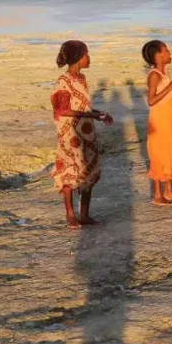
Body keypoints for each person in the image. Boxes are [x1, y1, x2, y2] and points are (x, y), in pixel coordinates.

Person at [51, 40, 113, 229]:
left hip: (86, 132)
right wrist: (91, 115)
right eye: (87, 54)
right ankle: (71, 214)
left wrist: (98, 114)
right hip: (71, 134)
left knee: (88, 171)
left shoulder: (82, 79)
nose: (89, 58)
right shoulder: (64, 81)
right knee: (70, 172)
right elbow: (63, 110)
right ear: (78, 57)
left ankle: (84, 214)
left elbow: (82, 106)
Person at [141, 39, 172, 206]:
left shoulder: (164, 75)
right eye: (166, 51)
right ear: (158, 56)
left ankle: (169, 189)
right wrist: (169, 87)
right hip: (159, 121)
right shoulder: (154, 75)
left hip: (170, 118)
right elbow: (151, 100)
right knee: (160, 154)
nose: (169, 53)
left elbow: (169, 96)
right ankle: (158, 195)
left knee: (171, 150)